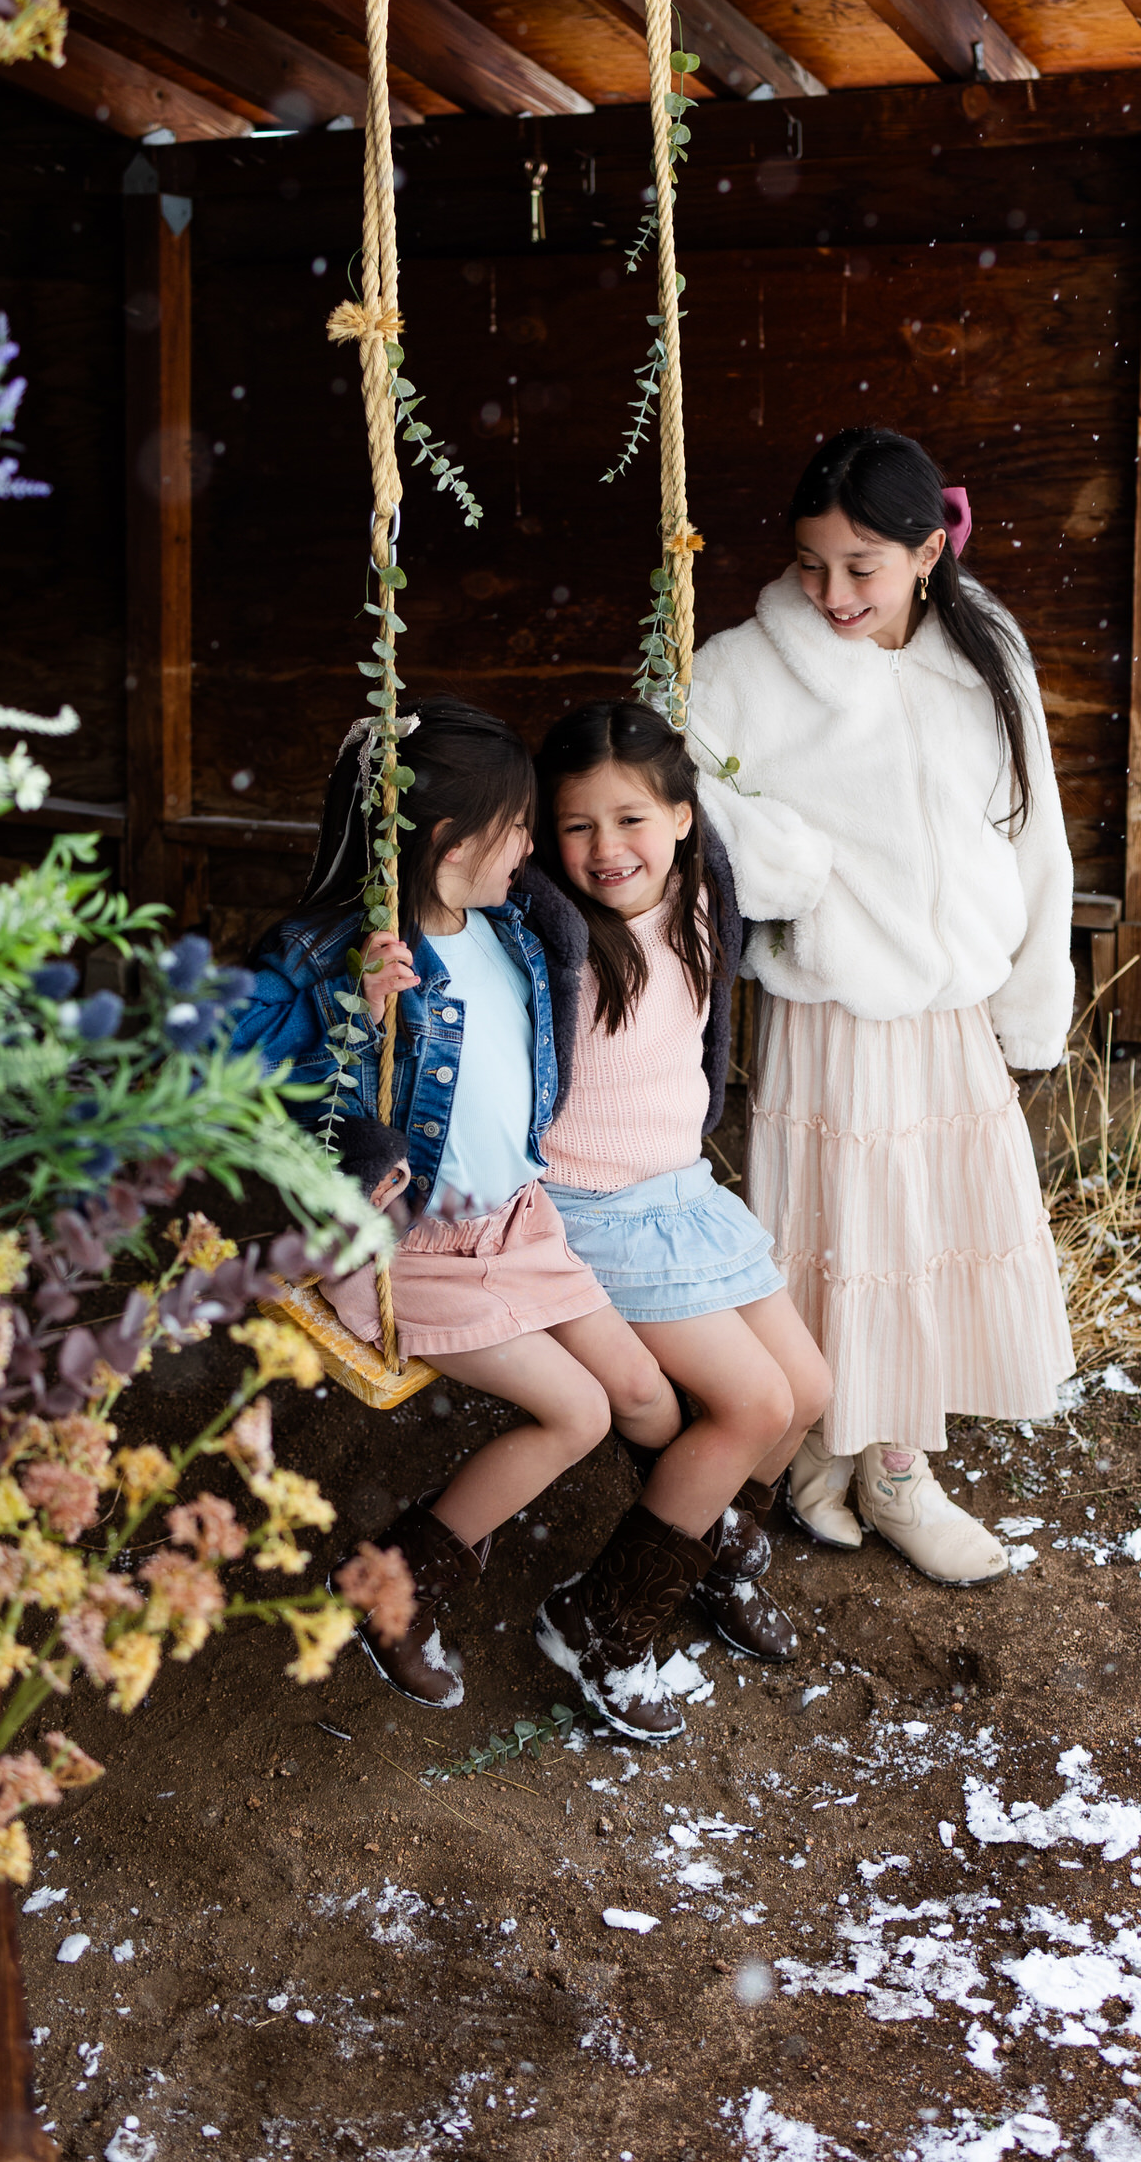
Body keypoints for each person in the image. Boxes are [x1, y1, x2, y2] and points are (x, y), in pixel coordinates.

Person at [231, 697, 680, 1711]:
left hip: (519, 1222)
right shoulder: (339, 956)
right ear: (442, 839)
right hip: (412, 1251)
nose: (532, 843)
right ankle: (387, 1589)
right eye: (515, 826)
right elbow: (238, 1076)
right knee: (577, 1409)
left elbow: (644, 874)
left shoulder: (510, 924)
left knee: (643, 1391)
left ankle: (703, 1527)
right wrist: (345, 1015)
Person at [686, 426, 1075, 1586]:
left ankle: (892, 1468)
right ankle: (823, 1445)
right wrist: (785, 872)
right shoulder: (743, 668)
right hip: (836, 1008)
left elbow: (1034, 830)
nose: (831, 593)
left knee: (927, 1237)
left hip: (950, 1005)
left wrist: (1027, 995)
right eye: (811, 564)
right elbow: (681, 791)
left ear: (925, 548)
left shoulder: (983, 646)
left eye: (861, 566)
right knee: (838, 1236)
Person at [521, 701, 831, 1738]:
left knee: (805, 1393)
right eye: (576, 827)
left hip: (682, 1194)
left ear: (687, 817)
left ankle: (690, 1551)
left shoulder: (706, 893)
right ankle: (601, 1621)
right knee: (747, 1405)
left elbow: (779, 853)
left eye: (631, 820)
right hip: (592, 1212)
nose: (606, 850)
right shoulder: (545, 934)